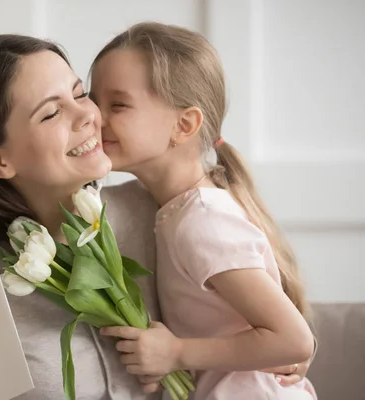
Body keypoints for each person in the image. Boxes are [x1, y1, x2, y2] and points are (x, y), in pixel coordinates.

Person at [0, 34, 163, 400]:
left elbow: (261, 340)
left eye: (80, 93)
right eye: (52, 112)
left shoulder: (155, 214)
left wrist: (185, 352)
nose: (88, 114)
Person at [92, 23, 318, 399]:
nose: (96, 118)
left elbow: (294, 340)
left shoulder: (201, 220)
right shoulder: (171, 208)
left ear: (184, 124)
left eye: (117, 104)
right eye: (93, 100)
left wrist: (177, 353)